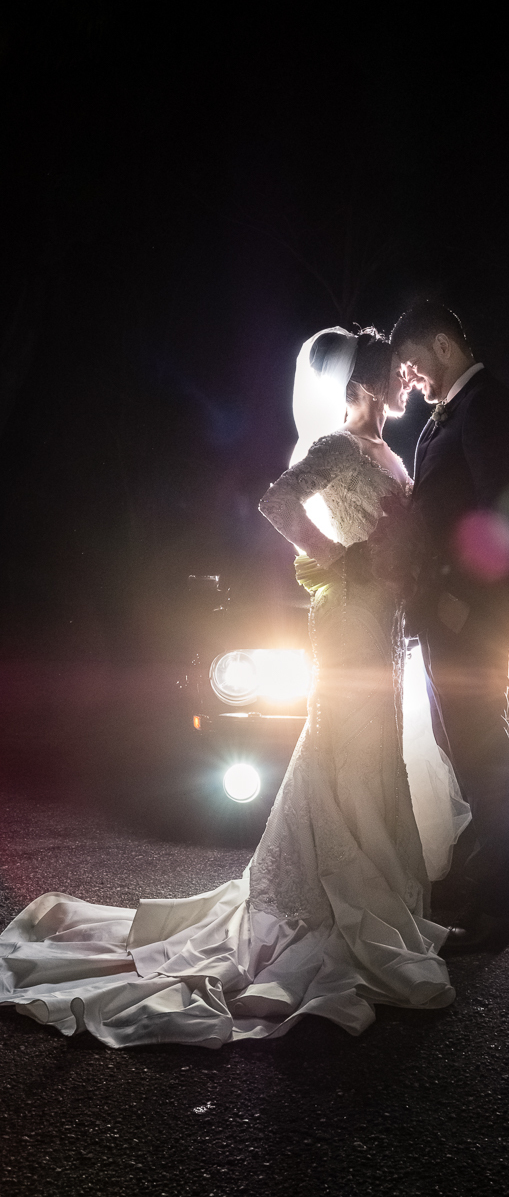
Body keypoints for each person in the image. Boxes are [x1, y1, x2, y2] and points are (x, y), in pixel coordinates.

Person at [0, 327, 467, 1046]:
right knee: (346, 740)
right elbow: (276, 503)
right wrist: (336, 559)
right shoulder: (337, 447)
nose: (407, 382)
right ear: (365, 386)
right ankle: (336, 901)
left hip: (386, 626)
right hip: (345, 618)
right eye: (395, 377)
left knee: (376, 750)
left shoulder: (386, 452)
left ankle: (379, 893)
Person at [390, 303, 509, 953]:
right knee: (465, 758)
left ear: (444, 345)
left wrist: (458, 605)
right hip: (442, 617)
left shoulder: (489, 405)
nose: (412, 378)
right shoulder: (453, 412)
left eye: (415, 363)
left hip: (469, 620)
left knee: (485, 762)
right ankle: (473, 891)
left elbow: (503, 513)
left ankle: (492, 912)